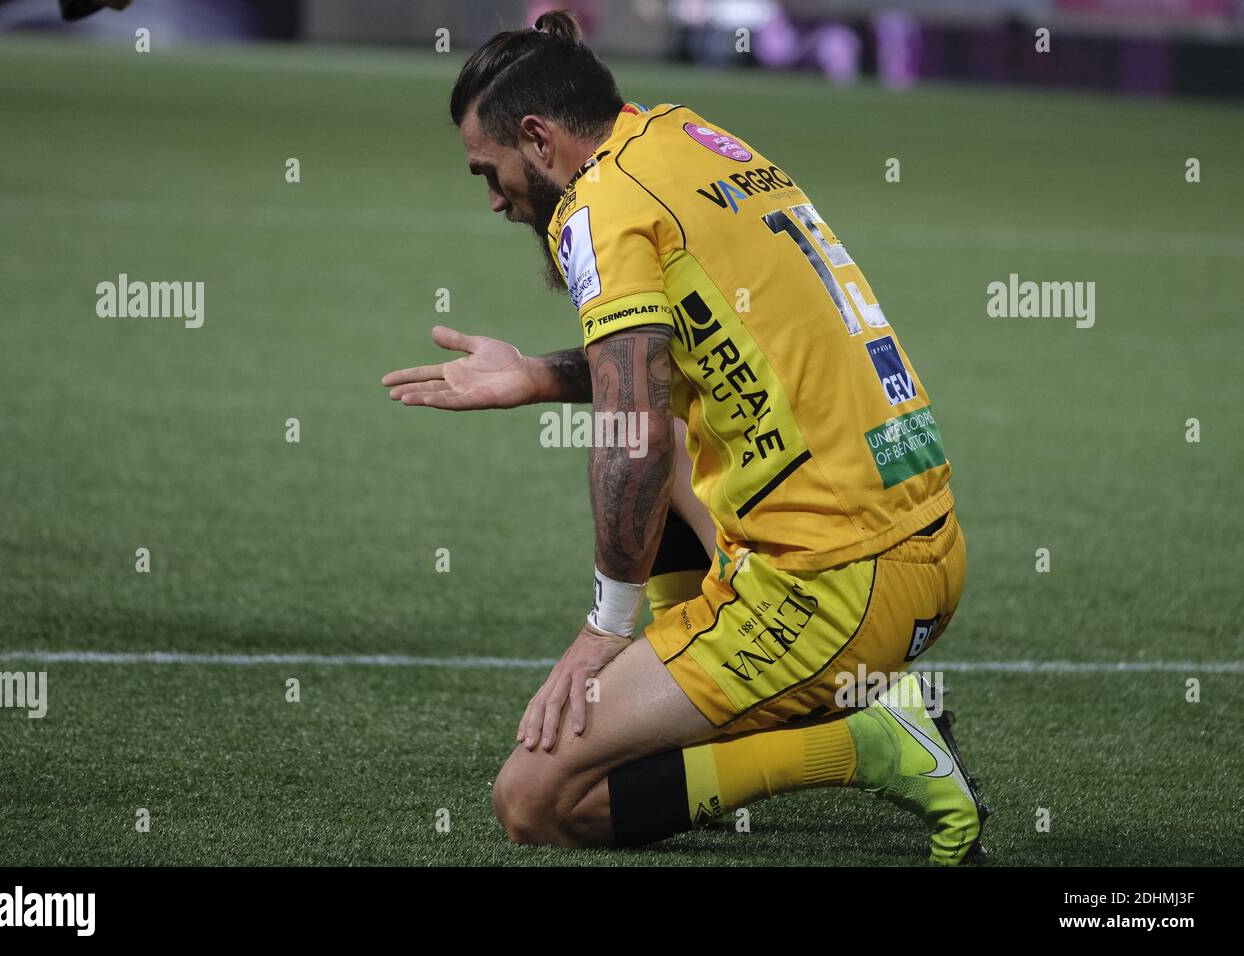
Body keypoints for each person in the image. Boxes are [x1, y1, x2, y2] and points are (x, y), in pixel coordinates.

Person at [382, 9, 988, 864]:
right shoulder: (685, 134)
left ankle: (873, 741)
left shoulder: (598, 209)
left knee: (535, 800)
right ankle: (706, 675)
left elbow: (632, 435)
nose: (491, 198)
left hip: (833, 589)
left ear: (539, 138)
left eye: (492, 170)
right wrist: (539, 375)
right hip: (918, 546)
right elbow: (674, 364)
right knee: (664, 415)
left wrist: (606, 627)